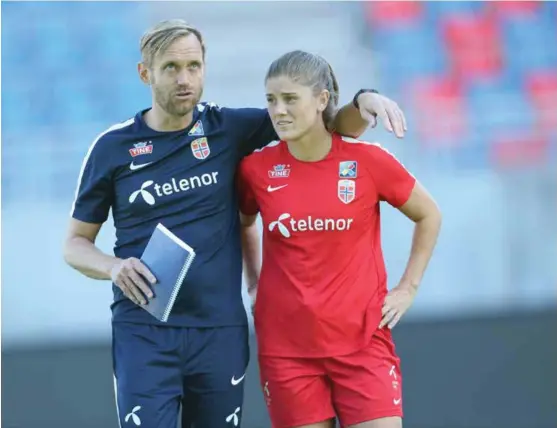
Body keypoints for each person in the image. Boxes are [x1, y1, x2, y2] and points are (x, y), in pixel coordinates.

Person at [62, 19, 410, 428]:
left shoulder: (228, 128)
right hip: (145, 332)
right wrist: (113, 267)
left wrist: (362, 99)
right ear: (145, 73)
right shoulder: (112, 148)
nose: (184, 78)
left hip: (219, 332)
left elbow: (322, 123)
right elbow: (74, 244)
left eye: (193, 66)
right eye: (171, 68)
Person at [237, 50, 442, 428]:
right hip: (287, 351)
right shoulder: (256, 169)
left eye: (290, 99)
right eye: (271, 100)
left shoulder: (369, 161)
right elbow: (244, 221)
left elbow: (428, 214)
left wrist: (408, 287)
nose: (278, 110)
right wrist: (254, 281)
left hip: (363, 343)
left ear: (321, 100)